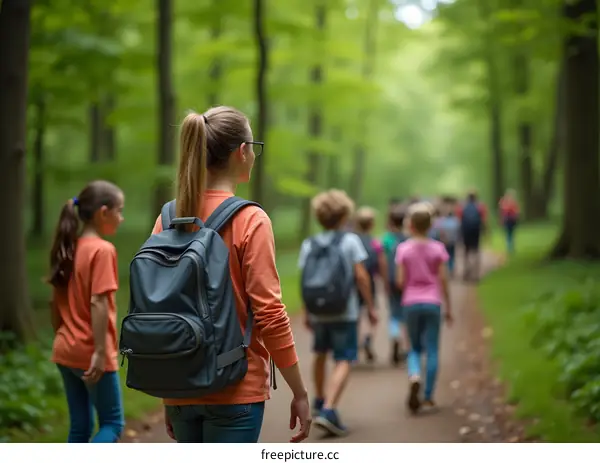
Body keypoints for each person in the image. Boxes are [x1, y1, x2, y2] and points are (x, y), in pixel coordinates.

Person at [150, 107, 310, 443]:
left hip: (180, 385)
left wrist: (169, 389)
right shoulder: (251, 219)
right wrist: (299, 391)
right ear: (242, 152)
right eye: (254, 146)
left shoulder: (169, 217)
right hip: (236, 386)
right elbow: (270, 314)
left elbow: (159, 306)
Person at [48, 180, 126, 443]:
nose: (122, 218)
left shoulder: (68, 248)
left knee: (80, 428)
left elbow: (54, 303)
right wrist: (100, 352)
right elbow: (98, 302)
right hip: (91, 353)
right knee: (113, 424)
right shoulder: (102, 250)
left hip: (64, 349)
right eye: (119, 211)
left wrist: (63, 335)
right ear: (103, 212)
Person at [299, 189, 377, 437]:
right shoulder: (349, 241)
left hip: (319, 311)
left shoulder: (309, 243)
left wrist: (307, 312)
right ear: (344, 216)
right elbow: (362, 277)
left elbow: (305, 279)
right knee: (345, 358)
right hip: (345, 311)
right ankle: (330, 410)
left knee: (320, 353)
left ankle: (320, 400)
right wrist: (371, 306)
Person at [395, 203, 452, 414]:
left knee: (414, 348)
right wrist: (449, 308)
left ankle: (414, 375)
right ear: (431, 225)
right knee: (433, 349)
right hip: (433, 302)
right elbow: (444, 280)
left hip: (410, 302)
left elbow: (400, 281)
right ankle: (428, 396)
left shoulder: (403, 249)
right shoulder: (438, 248)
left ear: (410, 225)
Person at [353, 206, 387, 362]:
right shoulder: (375, 243)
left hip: (352, 283)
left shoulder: (351, 241)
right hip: (370, 282)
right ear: (371, 224)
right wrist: (385, 281)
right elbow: (382, 264)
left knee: (355, 314)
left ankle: (354, 343)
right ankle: (367, 338)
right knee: (372, 313)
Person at [381, 205, 409, 366]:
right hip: (406, 281)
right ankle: (405, 345)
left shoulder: (386, 240)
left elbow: (383, 263)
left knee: (393, 313)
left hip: (391, 280)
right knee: (405, 314)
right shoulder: (408, 239)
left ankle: (395, 335)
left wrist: (384, 281)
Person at [456, 190, 487, 282]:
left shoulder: (462, 207)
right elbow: (483, 220)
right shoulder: (480, 206)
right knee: (476, 251)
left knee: (466, 251)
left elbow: (459, 220)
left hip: (466, 231)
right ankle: (476, 274)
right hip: (476, 231)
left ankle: (466, 272)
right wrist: (485, 232)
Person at [435, 203, 460, 277]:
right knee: (452, 255)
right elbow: (458, 231)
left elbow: (440, 231)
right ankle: (451, 268)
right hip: (453, 241)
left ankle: (447, 269)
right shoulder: (456, 221)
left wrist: (442, 239)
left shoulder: (443, 221)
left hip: (445, 241)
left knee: (446, 255)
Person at [498, 189, 520, 254]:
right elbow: (517, 212)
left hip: (507, 220)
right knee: (511, 234)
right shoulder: (513, 203)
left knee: (509, 234)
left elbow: (502, 213)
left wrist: (501, 220)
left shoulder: (503, 202)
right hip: (511, 220)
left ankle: (509, 248)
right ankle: (510, 248)